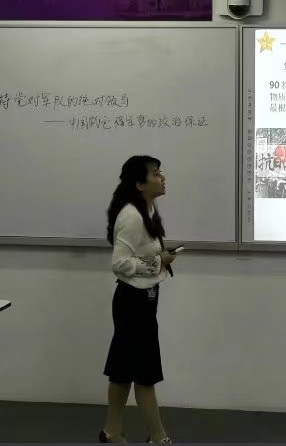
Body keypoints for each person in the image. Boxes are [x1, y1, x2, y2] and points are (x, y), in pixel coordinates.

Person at [99, 155, 177, 444]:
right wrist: (158, 262)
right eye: (155, 174)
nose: (162, 178)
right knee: (145, 374)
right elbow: (119, 263)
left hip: (143, 299)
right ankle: (158, 437)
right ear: (139, 184)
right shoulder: (131, 216)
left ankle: (111, 432)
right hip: (132, 301)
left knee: (123, 371)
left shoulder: (148, 209)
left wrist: (159, 258)